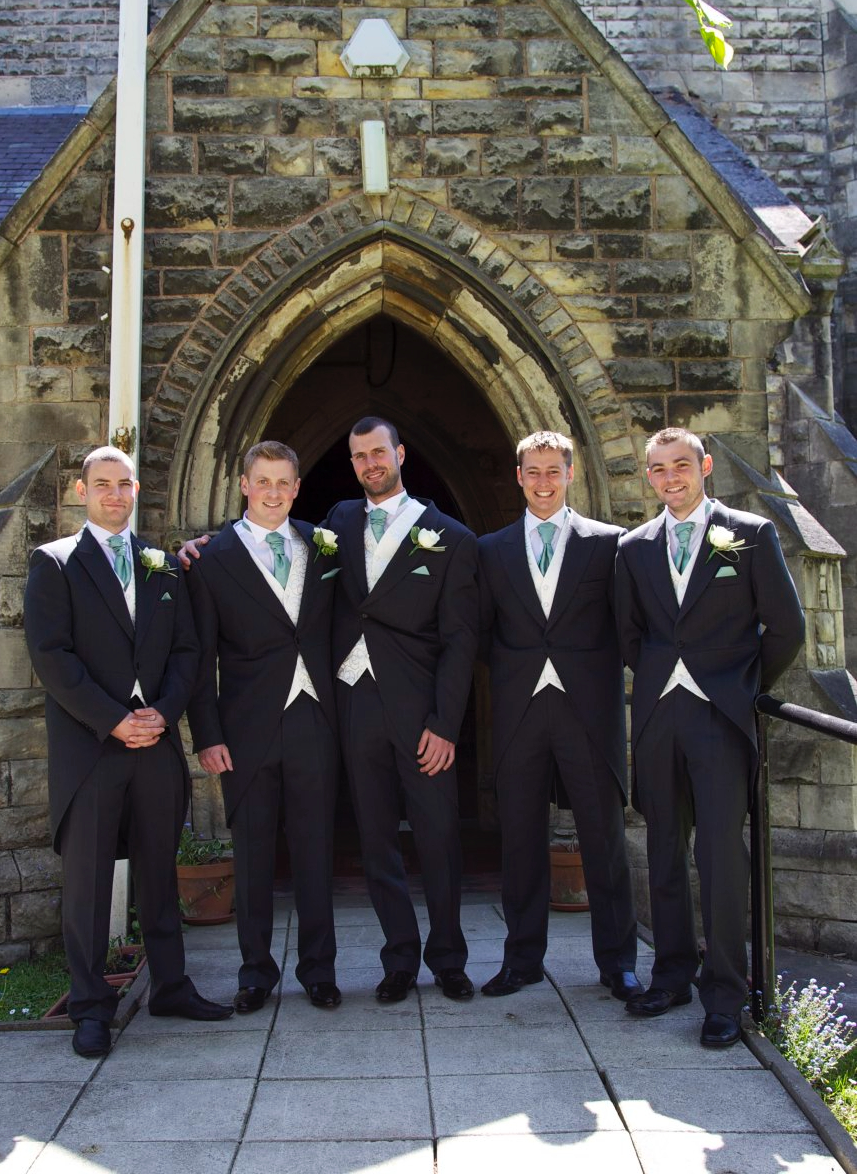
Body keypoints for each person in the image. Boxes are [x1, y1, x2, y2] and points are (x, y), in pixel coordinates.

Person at [23, 445, 232, 1059]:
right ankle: (90, 1007)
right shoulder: (55, 563)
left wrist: (163, 713)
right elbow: (52, 657)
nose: (115, 495)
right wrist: (115, 721)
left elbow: (188, 651)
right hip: (92, 747)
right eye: (103, 484)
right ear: (82, 491)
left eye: (124, 484)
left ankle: (170, 986)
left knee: (159, 871)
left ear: (136, 490)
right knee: (88, 882)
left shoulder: (162, 567)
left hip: (155, 743)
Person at [615, 427, 804, 1047]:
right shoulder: (634, 547)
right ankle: (671, 975)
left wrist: (740, 686)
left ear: (704, 467)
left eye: (680, 465)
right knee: (664, 847)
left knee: (721, 853)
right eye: (658, 469)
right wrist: (659, 679)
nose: (670, 478)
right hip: (657, 715)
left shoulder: (750, 534)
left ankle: (724, 995)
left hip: (721, 715)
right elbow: (630, 634)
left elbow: (787, 627)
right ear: (649, 475)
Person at [477, 431, 641, 1000]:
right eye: (533, 471)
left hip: (588, 711)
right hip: (520, 708)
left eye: (553, 471)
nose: (543, 481)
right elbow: (481, 632)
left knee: (604, 840)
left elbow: (626, 627)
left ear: (570, 474)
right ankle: (522, 960)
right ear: (518, 477)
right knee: (520, 841)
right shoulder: (491, 549)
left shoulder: (609, 544)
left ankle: (618, 964)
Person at [325, 417, 479, 1002]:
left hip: (421, 711)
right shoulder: (338, 521)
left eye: (378, 452)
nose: (370, 463)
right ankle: (399, 959)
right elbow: (273, 537)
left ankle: (448, 958)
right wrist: (204, 545)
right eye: (359, 456)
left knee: (438, 835)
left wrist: (446, 724)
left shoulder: (450, 537)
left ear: (401, 454)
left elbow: (461, 641)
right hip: (356, 696)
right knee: (375, 836)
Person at [184, 441, 342, 1012]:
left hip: (313, 717)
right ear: (244, 485)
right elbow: (199, 656)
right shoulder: (211, 559)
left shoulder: (322, 546)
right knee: (251, 856)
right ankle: (255, 973)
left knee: (316, 851)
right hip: (244, 728)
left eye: (283, 482)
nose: (273, 492)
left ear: (297, 488)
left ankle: (319, 970)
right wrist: (207, 735)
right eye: (263, 481)